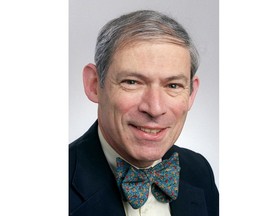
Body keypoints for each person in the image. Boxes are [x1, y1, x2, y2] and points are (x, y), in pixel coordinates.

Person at [69, 10, 219, 216]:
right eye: (132, 82)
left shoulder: (199, 170)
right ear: (94, 85)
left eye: (173, 85)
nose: (155, 108)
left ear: (191, 93)